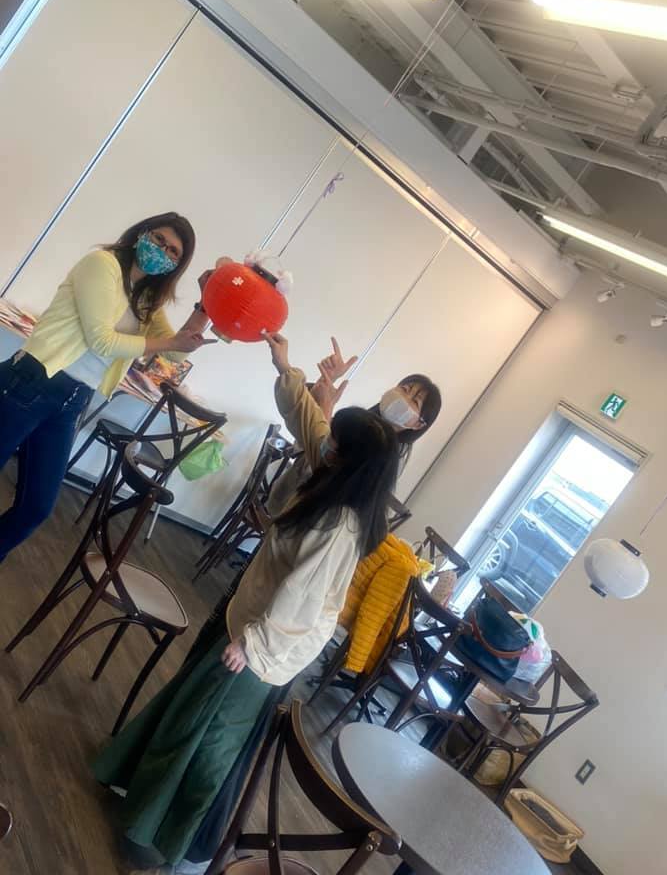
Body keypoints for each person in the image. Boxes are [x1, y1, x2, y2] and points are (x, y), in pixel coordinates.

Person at [92, 331, 399, 873]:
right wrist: (287, 367)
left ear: (350, 459)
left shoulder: (340, 523)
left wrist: (253, 644)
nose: (325, 444)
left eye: (335, 444)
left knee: (207, 743)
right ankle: (137, 798)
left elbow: (303, 600)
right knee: (187, 715)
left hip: (263, 650)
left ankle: (163, 841)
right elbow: (310, 421)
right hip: (250, 620)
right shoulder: (337, 473)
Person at [0, 213, 212, 561]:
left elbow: (174, 352)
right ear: (141, 234)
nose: (162, 251)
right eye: (159, 239)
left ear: (177, 265)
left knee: (35, 507)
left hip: (71, 400)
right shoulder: (102, 264)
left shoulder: (147, 298)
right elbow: (101, 340)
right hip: (33, 380)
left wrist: (206, 305)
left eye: (173, 252)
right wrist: (167, 342)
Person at [267, 336, 442, 518]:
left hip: (305, 517)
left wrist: (325, 408)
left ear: (418, 424)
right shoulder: (359, 422)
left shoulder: (386, 458)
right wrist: (325, 383)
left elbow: (327, 464)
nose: (404, 397)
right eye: (405, 389)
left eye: (415, 401)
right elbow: (307, 428)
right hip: (286, 498)